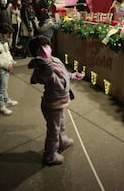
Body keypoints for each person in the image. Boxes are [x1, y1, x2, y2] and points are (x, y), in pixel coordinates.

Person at [27, 35, 84, 165]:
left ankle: (63, 141)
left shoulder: (56, 60)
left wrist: (73, 75)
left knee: (62, 123)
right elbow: (46, 73)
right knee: (53, 130)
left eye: (46, 45)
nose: (45, 49)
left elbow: (63, 74)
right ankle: (50, 155)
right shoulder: (43, 68)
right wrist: (41, 60)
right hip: (52, 104)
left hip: (61, 101)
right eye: (41, 48)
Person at [0, 23, 18, 115]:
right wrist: (5, 65)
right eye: (8, 36)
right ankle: (1, 106)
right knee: (1, 88)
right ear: (1, 34)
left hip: (6, 69)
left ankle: (6, 100)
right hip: (0, 70)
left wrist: (11, 62)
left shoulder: (4, 43)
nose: (9, 39)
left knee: (4, 87)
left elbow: (7, 53)